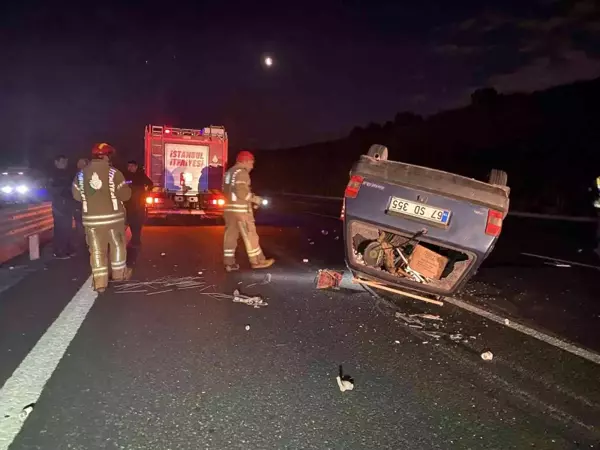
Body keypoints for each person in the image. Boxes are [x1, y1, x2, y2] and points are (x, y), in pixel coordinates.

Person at [72, 143, 132, 293]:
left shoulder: (80, 174)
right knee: (117, 245)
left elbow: (76, 195)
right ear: (107, 156)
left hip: (91, 220)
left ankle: (100, 283)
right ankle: (119, 274)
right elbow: (125, 195)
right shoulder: (114, 173)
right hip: (113, 219)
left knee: (97, 250)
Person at [222, 150, 274, 271]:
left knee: (230, 236)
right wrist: (255, 199)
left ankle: (229, 262)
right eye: (251, 163)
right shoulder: (242, 172)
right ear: (245, 161)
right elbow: (241, 192)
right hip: (241, 211)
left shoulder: (229, 173)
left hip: (229, 210)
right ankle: (257, 261)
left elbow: (227, 190)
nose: (252, 166)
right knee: (250, 235)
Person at [49, 154, 75, 259]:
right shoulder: (54, 175)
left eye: (66, 162)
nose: (65, 164)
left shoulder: (66, 174)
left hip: (67, 204)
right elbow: (54, 190)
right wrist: (67, 190)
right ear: (56, 162)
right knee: (61, 228)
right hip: (60, 205)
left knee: (67, 227)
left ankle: (67, 248)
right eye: (62, 162)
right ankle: (59, 251)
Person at [124, 160, 154, 247]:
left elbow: (150, 184)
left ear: (136, 167)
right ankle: (134, 238)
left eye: (132, 166)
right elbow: (122, 185)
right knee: (131, 221)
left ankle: (136, 239)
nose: (130, 168)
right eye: (128, 166)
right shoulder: (126, 175)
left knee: (138, 222)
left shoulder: (141, 175)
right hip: (129, 203)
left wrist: (146, 193)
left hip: (139, 203)